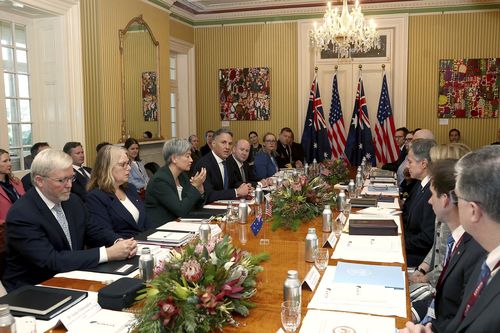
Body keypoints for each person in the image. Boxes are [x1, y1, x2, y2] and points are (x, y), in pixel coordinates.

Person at [2, 149, 136, 291]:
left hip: (71, 277)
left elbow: (93, 230)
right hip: (34, 289)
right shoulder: (22, 214)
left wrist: (118, 242)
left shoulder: (73, 201)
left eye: (71, 178)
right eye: (61, 180)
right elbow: (51, 260)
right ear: (39, 181)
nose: (69, 185)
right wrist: (107, 253)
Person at [401, 145, 500, 333]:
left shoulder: (477, 256)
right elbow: (460, 321)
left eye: (459, 197)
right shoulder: (483, 257)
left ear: (473, 210)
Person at [410, 159, 485, 331]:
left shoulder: (474, 250)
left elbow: (459, 315)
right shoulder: (458, 241)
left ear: (445, 199)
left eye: (432, 194)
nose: (429, 201)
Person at [411, 144, 472, 289]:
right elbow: (437, 247)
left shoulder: (453, 215)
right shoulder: (445, 208)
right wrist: (423, 268)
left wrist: (425, 277)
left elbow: (448, 263)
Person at [86, 146, 151, 238]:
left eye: (128, 163)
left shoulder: (130, 189)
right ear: (107, 168)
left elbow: (145, 221)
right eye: (123, 164)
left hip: (146, 244)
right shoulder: (96, 197)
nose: (129, 168)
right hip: (122, 248)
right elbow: (104, 233)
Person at [145, 139, 207, 227]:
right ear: (174, 158)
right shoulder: (160, 180)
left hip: (178, 225)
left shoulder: (182, 176)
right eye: (187, 156)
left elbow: (192, 205)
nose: (191, 160)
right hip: (160, 230)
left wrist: (200, 191)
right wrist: (194, 186)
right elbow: (181, 210)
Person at [192, 128, 252, 204]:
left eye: (230, 144)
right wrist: (236, 192)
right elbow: (208, 195)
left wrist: (244, 186)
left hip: (226, 205)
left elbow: (232, 183)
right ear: (213, 143)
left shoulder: (228, 161)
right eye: (223, 142)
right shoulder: (204, 164)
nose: (227, 147)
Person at [403, 138, 437, 267]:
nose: (407, 166)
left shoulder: (431, 192)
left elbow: (427, 239)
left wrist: (400, 241)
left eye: (410, 162)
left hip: (418, 256)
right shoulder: (420, 184)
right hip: (410, 244)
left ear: (423, 164)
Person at [0, 149, 26, 226]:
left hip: (24, 224)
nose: (10, 164)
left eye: (10, 160)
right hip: (5, 230)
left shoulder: (16, 182)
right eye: (5, 161)